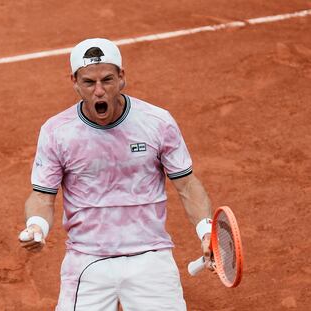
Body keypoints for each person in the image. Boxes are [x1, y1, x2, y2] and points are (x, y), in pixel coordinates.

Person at [19, 38, 213, 311]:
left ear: (122, 77)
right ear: (74, 82)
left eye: (107, 80)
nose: (99, 91)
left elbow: (186, 185)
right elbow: (42, 195)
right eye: (89, 83)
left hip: (150, 256)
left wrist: (206, 231)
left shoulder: (157, 122)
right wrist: (37, 225)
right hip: (87, 261)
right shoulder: (56, 131)